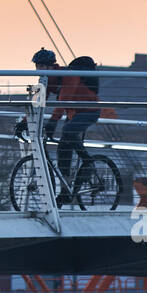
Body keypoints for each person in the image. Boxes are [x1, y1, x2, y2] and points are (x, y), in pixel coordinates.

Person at [34, 49, 102, 207]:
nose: (39, 69)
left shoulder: (68, 76)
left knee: (68, 131)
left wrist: (53, 121)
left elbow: (63, 99)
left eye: (43, 66)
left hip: (89, 111)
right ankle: (65, 190)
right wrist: (25, 120)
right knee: (62, 150)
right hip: (73, 114)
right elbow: (35, 101)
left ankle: (88, 161)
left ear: (52, 66)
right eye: (37, 66)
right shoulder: (44, 80)